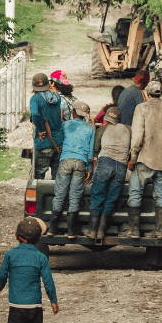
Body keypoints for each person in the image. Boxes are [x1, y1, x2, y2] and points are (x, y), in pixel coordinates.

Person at [0, 217, 59, 323]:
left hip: (16, 305)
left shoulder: (11, 255)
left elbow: (1, 275)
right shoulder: (41, 257)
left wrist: (1, 285)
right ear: (38, 238)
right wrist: (53, 301)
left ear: (17, 236)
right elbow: (48, 281)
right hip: (35, 306)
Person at [126, 80, 162, 239]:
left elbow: (137, 135)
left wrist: (133, 156)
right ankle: (160, 231)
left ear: (146, 93)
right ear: (160, 93)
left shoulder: (141, 108)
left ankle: (134, 230)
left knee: (135, 193)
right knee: (161, 194)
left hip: (144, 159)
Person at [50, 101, 94, 236]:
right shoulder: (90, 128)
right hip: (81, 163)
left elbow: (58, 140)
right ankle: (71, 230)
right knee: (75, 196)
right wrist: (90, 170)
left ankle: (52, 228)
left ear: (74, 112)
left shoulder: (65, 125)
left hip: (66, 161)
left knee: (60, 194)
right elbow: (91, 152)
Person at [88, 105, 130, 240]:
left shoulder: (102, 129)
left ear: (106, 118)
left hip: (105, 162)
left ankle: (93, 230)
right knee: (111, 199)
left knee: (97, 195)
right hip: (121, 166)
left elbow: (95, 149)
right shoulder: (128, 129)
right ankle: (102, 231)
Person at [29, 72, 64, 179]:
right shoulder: (57, 96)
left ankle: (40, 196)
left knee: (39, 176)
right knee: (57, 177)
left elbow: (35, 115)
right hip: (58, 142)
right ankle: (56, 195)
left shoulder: (35, 99)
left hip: (43, 142)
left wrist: (40, 130)